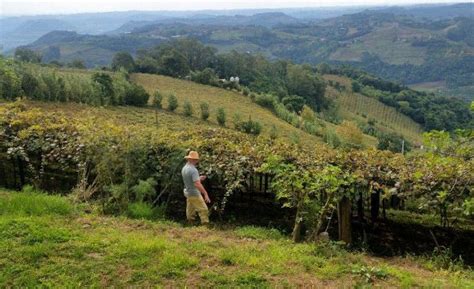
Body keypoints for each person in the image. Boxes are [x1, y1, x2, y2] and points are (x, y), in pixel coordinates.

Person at [181, 151, 211, 225]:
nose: (196, 161)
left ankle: (190, 223)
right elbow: (197, 184)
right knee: (204, 209)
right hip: (194, 193)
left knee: (190, 209)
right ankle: (205, 225)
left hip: (187, 192)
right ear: (190, 159)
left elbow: (190, 180)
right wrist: (205, 193)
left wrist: (198, 178)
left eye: (196, 159)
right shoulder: (193, 170)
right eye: (195, 159)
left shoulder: (184, 168)